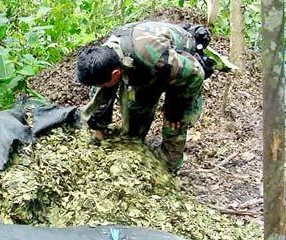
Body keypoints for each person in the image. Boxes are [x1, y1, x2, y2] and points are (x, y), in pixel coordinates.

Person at [77, 21, 215, 173]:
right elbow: (100, 97)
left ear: (116, 74)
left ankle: (168, 170)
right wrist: (98, 128)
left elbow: (195, 74)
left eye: (103, 85)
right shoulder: (104, 56)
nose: (99, 89)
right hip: (144, 69)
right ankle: (135, 148)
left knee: (174, 121)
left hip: (182, 69)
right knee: (135, 113)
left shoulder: (153, 56)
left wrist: (178, 106)